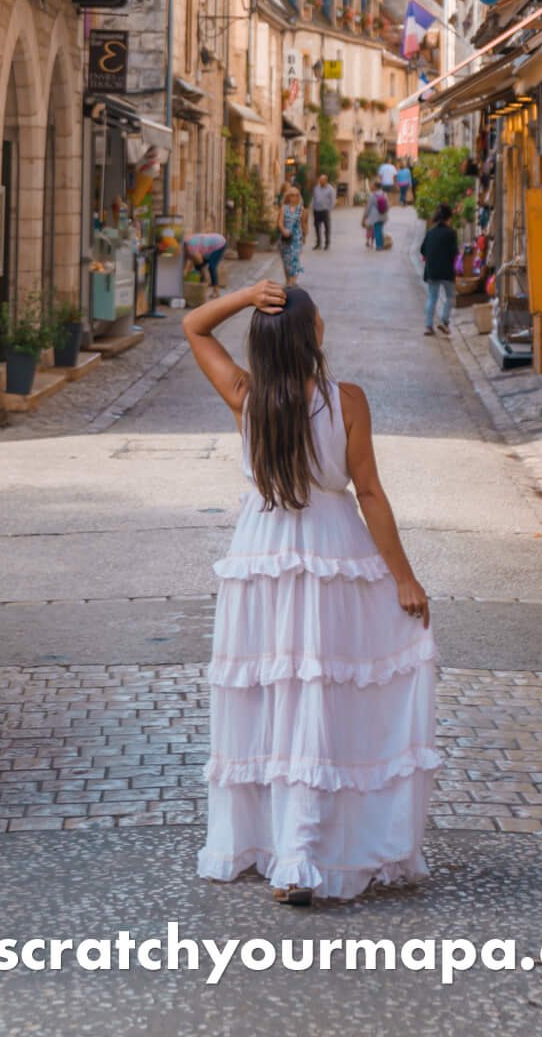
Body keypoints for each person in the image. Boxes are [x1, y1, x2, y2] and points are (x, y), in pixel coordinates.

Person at [184, 279, 437, 903]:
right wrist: (403, 576)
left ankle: (278, 847)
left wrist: (245, 296)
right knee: (327, 693)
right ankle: (308, 850)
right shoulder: (345, 401)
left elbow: (193, 326)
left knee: (274, 697)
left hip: (262, 555)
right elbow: (369, 492)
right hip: (331, 554)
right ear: (312, 333)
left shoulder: (245, 395)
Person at [419, 204, 457, 337]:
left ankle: (428, 326)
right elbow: (454, 253)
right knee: (451, 297)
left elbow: (422, 250)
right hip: (446, 270)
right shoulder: (451, 233)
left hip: (432, 270)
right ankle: (444, 321)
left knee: (432, 298)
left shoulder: (430, 232)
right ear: (449, 218)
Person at [277, 184, 304, 285]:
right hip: (285, 237)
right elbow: (279, 222)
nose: (294, 197)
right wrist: (284, 230)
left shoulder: (300, 208)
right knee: (286, 260)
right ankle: (288, 280)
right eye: (292, 195)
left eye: (297, 195)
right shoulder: (284, 208)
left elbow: (302, 223)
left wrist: (303, 237)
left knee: (294, 258)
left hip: (296, 237)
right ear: (288, 196)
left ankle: (293, 281)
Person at [310, 173, 335, 251]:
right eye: (320, 180)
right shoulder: (316, 188)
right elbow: (314, 198)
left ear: (326, 181)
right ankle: (318, 243)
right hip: (316, 210)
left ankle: (327, 243)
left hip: (325, 210)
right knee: (317, 227)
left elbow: (332, 200)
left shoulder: (330, 189)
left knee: (327, 227)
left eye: (322, 180)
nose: (320, 182)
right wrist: (313, 207)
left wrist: (329, 208)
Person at [363, 183, 389, 252]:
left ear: (375, 187)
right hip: (383, 215)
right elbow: (387, 205)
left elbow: (368, 207)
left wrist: (365, 216)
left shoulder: (372, 195)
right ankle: (381, 244)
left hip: (375, 216)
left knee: (377, 230)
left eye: (373, 186)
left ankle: (379, 246)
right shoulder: (384, 194)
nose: (372, 187)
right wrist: (385, 213)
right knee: (380, 230)